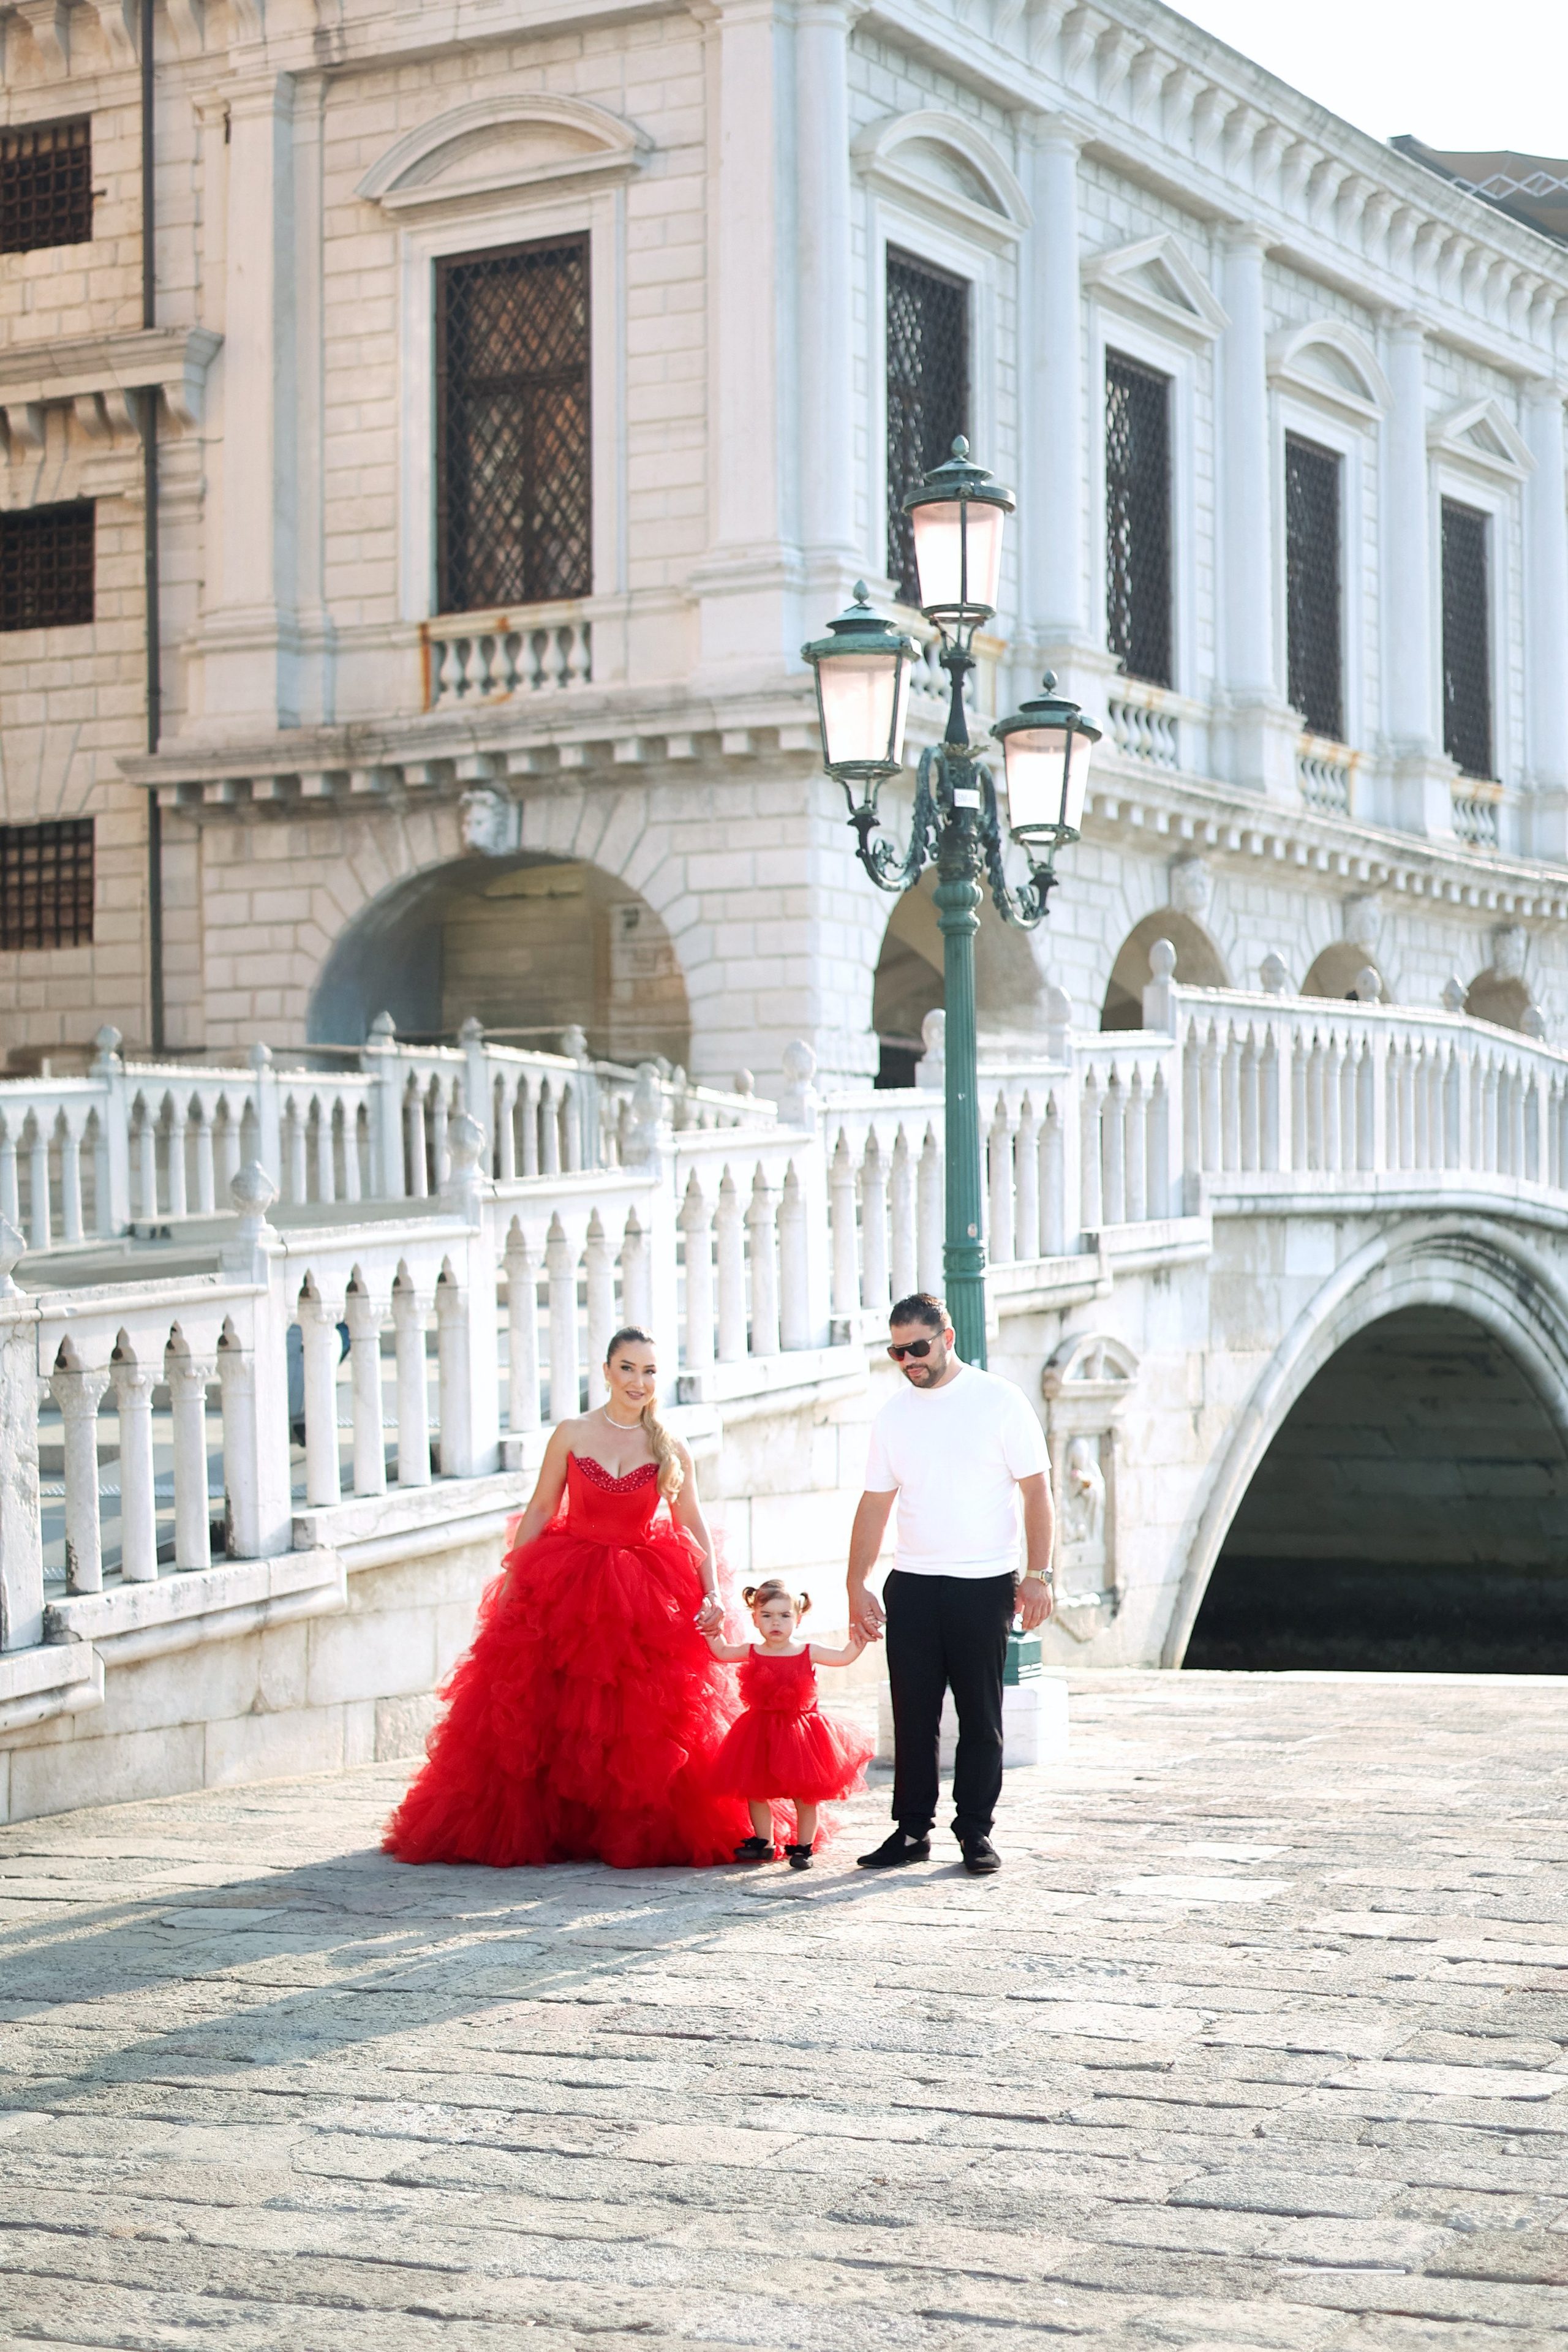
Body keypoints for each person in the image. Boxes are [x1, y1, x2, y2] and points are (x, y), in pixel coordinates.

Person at [383, 1326, 753, 1869]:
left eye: (650, 1371)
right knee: (551, 1710)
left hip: (645, 1588)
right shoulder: (573, 1433)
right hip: (568, 1579)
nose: (639, 1381)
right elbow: (539, 1509)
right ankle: (558, 1827)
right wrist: (514, 1578)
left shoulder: (670, 1445)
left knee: (638, 1717)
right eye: (628, 1368)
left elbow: (690, 1520)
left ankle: (623, 1826)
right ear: (606, 1371)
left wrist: (713, 1593)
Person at [847, 1292, 1055, 1877]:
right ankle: (911, 1831)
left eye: (919, 1346)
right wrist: (855, 1582)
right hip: (912, 1583)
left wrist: (1038, 1575)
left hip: (983, 1583)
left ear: (948, 1337)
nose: (910, 1359)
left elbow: (1037, 1492)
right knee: (912, 1714)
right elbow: (874, 1504)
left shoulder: (999, 1401)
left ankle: (975, 1832)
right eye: (897, 1350)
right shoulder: (893, 1415)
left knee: (980, 1714)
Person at [705, 1580, 875, 1869]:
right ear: (755, 1619)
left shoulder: (808, 1651)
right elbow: (721, 1652)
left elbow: (844, 1657)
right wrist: (711, 1631)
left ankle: (804, 1846)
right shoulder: (753, 1651)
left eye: (785, 1616)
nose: (776, 1623)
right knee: (756, 1790)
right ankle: (764, 1843)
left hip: (801, 1734)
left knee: (804, 1794)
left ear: (798, 1618)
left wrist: (859, 1638)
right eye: (768, 1615)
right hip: (759, 1732)